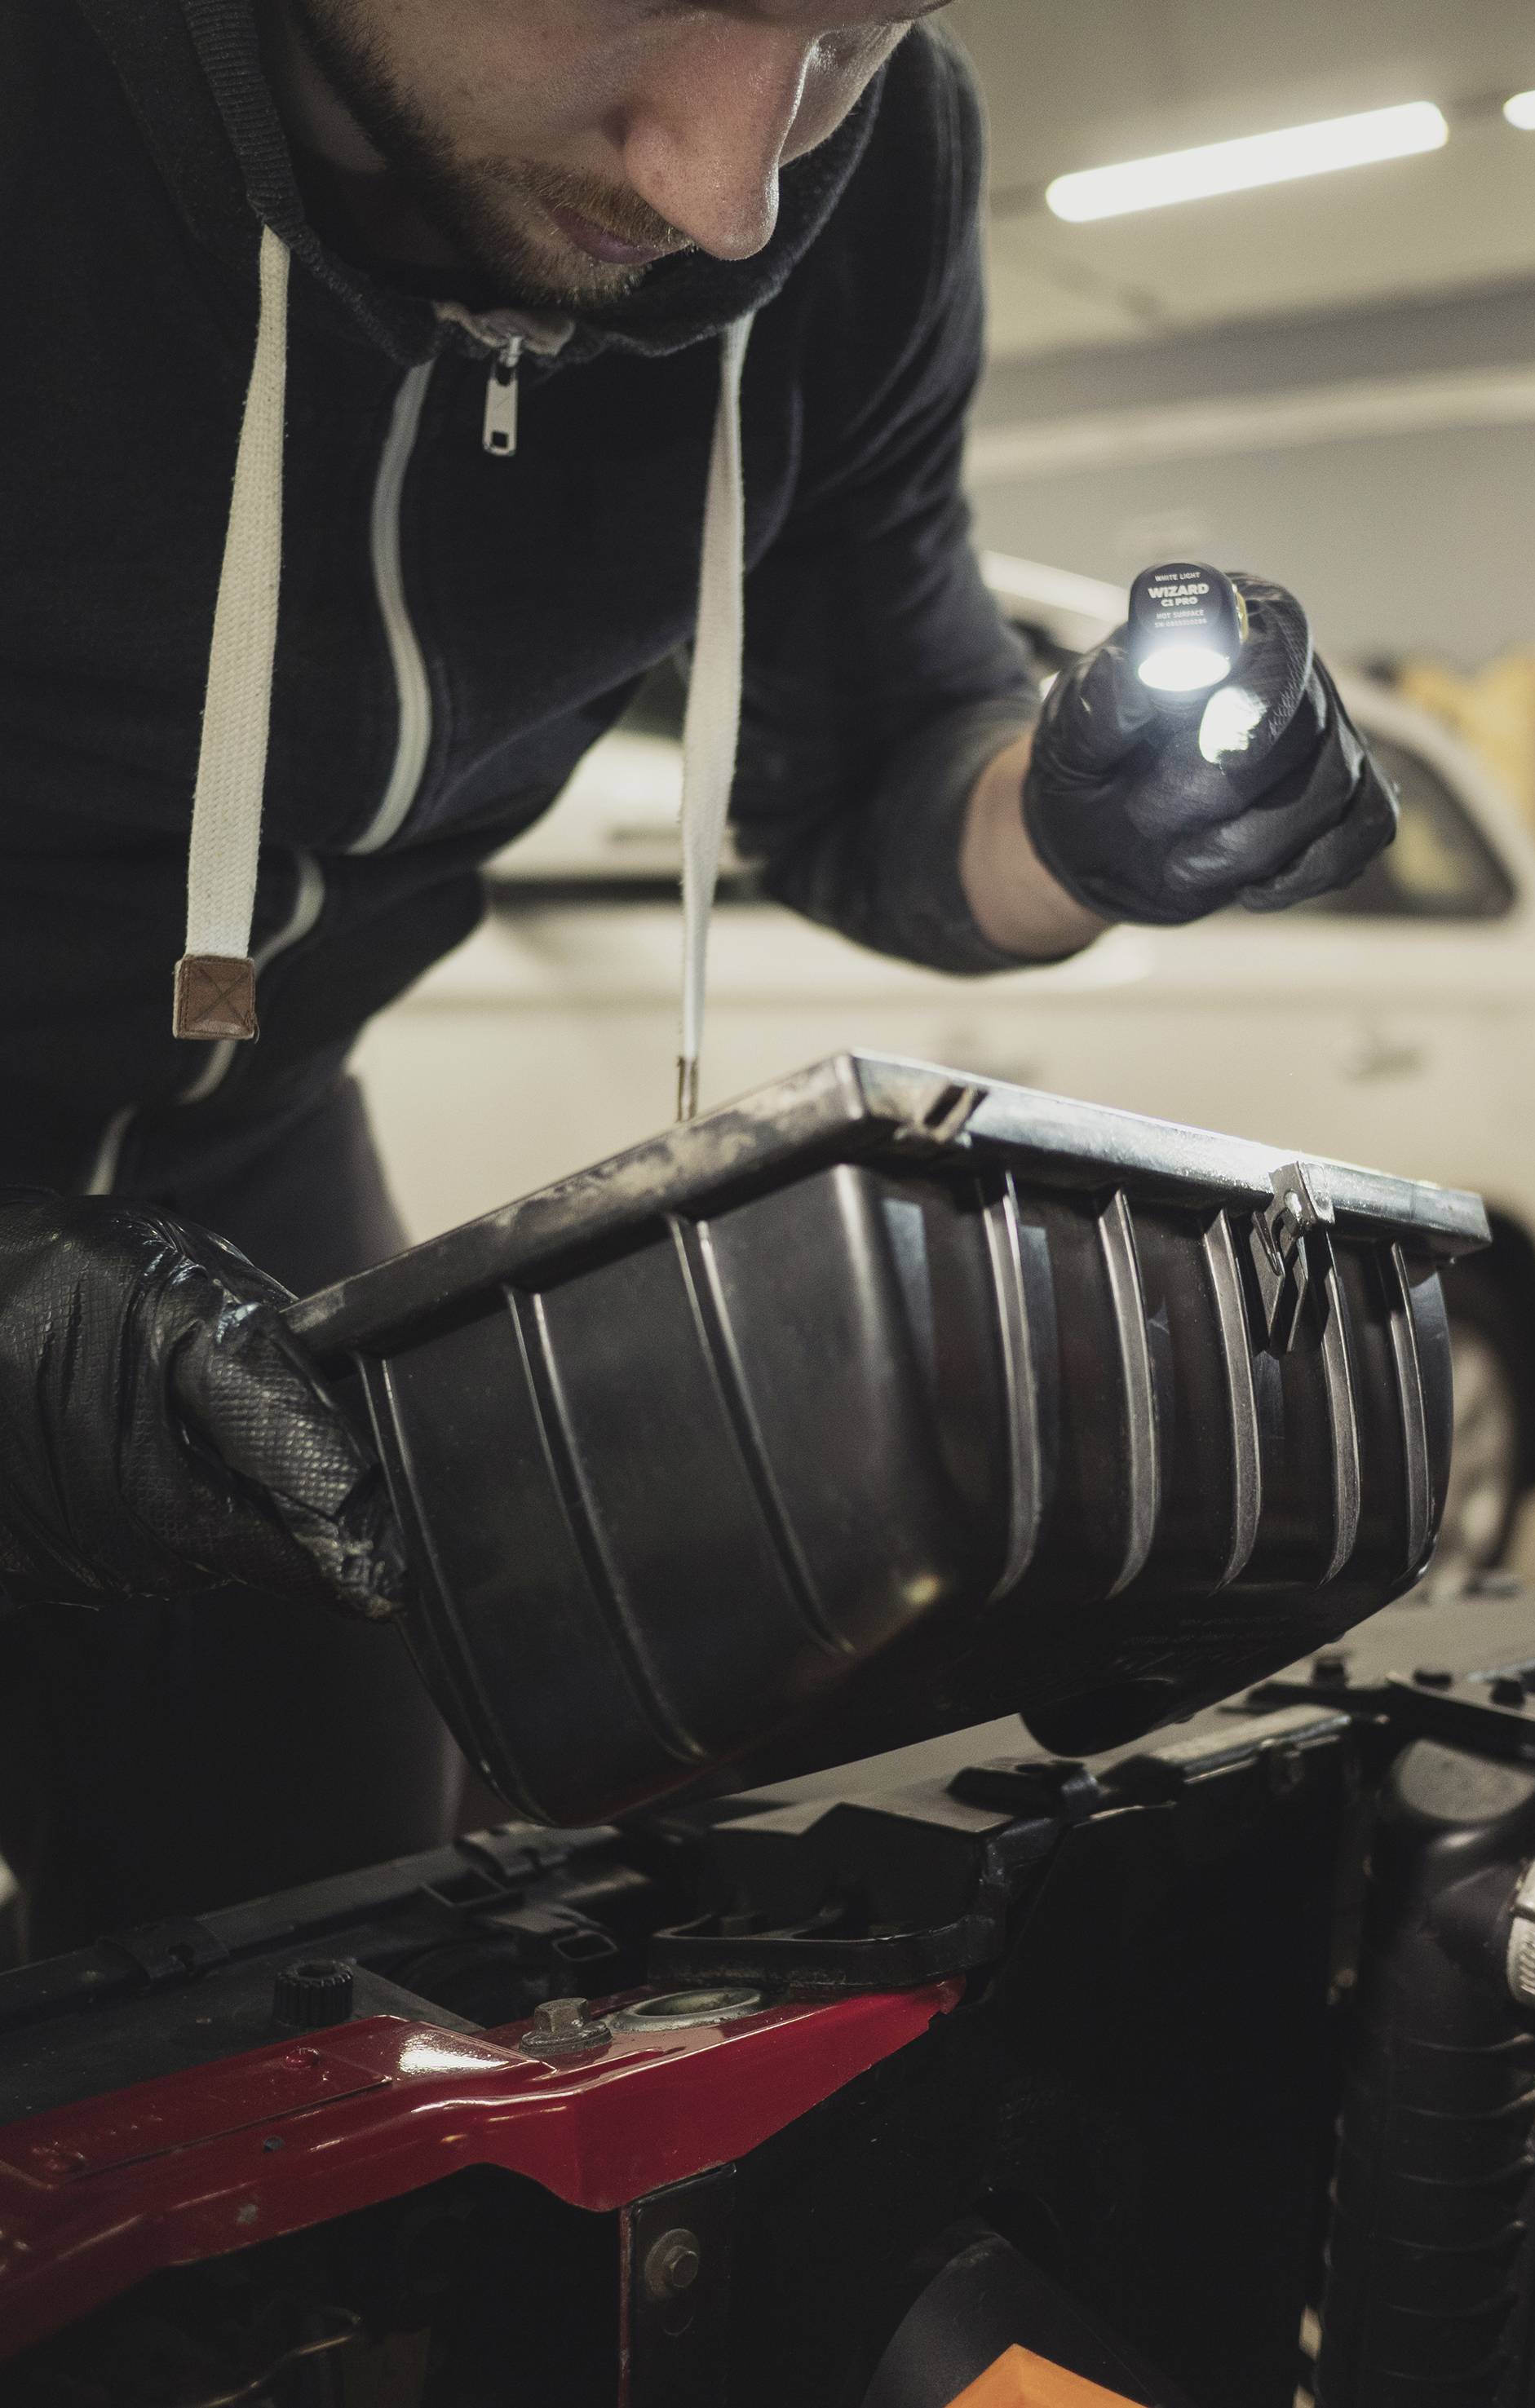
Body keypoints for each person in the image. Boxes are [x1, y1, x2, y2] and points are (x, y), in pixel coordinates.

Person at [0, 0, 1399, 1952]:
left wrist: (1084, 830)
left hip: (244, 1201)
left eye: (846, 36)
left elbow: (876, 751)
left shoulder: (869, 181)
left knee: (314, 1958)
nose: (734, 191)